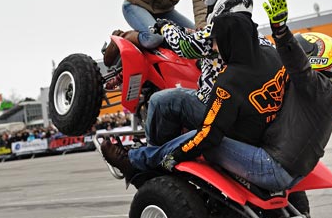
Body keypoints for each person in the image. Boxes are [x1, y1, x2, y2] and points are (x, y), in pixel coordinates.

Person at [101, 10, 288, 187]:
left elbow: (207, 136)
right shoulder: (270, 54)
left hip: (259, 155)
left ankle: (139, 164)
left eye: (216, 41)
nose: (212, 47)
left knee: (169, 108)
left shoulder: (229, 81)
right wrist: (280, 31)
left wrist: (168, 158)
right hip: (277, 146)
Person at [144, 0, 269, 146]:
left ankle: (152, 155)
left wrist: (164, 27)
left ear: (224, 4)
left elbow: (184, 46)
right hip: (250, 111)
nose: (209, 11)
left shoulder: (220, 31)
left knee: (160, 100)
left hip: (218, 107)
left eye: (211, 6)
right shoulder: (258, 35)